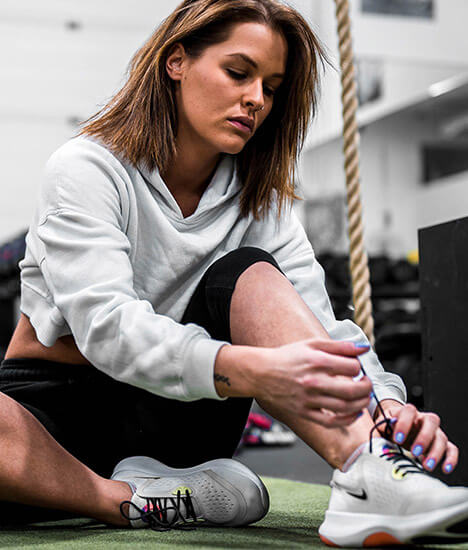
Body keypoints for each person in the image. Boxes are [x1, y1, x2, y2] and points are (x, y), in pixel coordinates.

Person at [1, 0, 467, 544]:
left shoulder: (261, 201)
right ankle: (124, 501)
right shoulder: (86, 168)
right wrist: (247, 368)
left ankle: (367, 470)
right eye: (238, 73)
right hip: (55, 423)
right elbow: (108, 328)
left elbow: (323, 329)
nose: (256, 99)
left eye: (271, 87)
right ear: (176, 61)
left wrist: (387, 405)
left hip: (182, 422)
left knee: (251, 271)